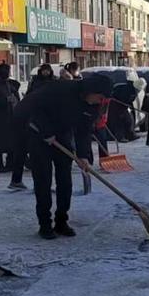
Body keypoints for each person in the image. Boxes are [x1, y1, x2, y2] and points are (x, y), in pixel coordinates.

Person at [18, 73, 112, 238]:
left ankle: (61, 221)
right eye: (100, 97)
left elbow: (84, 130)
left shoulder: (92, 106)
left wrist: (83, 155)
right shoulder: (60, 88)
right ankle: (45, 224)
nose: (100, 102)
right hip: (39, 135)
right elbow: (33, 106)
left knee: (65, 181)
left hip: (62, 136)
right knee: (43, 180)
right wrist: (46, 131)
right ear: (92, 90)